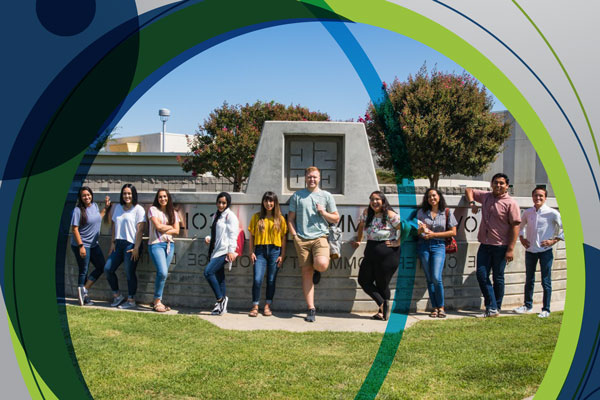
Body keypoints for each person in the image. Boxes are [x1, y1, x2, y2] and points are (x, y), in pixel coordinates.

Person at [465, 173, 521, 318]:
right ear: (491, 184)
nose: (498, 185)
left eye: (502, 183)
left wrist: (510, 249)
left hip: (501, 246)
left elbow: (515, 226)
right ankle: (493, 307)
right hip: (484, 244)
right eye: (496, 182)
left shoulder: (511, 203)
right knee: (481, 275)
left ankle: (495, 307)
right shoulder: (486, 196)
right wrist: (472, 203)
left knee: (498, 277)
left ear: (507, 186)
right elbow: (468, 190)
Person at [288, 166, 339, 322]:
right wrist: (295, 236)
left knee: (322, 264)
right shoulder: (297, 196)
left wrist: (323, 213)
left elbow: (336, 218)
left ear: (319, 178)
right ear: (305, 178)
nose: (312, 179)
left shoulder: (326, 196)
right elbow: (290, 219)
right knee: (306, 272)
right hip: (301, 239)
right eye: (309, 177)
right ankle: (311, 308)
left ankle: (318, 268)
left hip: (320, 237)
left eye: (315, 177)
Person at [351, 191, 403, 321]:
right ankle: (382, 304)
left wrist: (398, 241)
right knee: (363, 280)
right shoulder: (367, 213)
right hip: (370, 250)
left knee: (382, 284)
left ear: (383, 201)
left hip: (388, 253)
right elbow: (361, 226)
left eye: (377, 199)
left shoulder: (391, 215)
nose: (374, 202)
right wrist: (359, 239)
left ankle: (382, 312)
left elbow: (404, 228)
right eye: (372, 199)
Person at [513, 186, 564, 318]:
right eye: (536, 195)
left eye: (541, 196)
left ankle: (546, 309)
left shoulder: (552, 213)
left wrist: (554, 241)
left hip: (545, 251)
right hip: (530, 251)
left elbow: (565, 227)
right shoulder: (528, 213)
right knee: (529, 279)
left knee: (545, 281)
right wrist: (522, 239)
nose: (538, 198)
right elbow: (520, 226)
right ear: (532, 197)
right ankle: (527, 306)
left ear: (545, 198)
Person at [416, 188, 457, 318]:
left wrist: (434, 235)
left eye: (434, 196)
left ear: (439, 197)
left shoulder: (446, 212)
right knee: (429, 278)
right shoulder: (421, 213)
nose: (431, 198)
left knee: (436, 277)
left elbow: (453, 232)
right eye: (429, 197)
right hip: (424, 246)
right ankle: (434, 308)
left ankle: (441, 306)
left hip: (439, 246)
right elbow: (414, 231)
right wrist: (421, 230)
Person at [104, 184, 146, 309]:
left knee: (129, 272)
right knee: (107, 269)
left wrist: (137, 247)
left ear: (133, 194)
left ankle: (131, 300)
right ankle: (117, 296)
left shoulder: (139, 209)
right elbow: (114, 226)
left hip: (131, 244)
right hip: (118, 244)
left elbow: (140, 230)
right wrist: (112, 243)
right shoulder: (118, 208)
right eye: (124, 193)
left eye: (129, 193)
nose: (127, 196)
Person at [247, 191, 287, 317]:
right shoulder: (257, 217)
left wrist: (282, 254)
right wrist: (251, 251)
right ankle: (255, 305)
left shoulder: (280, 219)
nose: (268, 203)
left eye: (271, 201)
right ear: (263, 202)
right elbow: (251, 236)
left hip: (275, 251)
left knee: (271, 279)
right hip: (260, 251)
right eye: (266, 200)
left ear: (275, 203)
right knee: (257, 279)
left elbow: (284, 237)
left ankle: (267, 305)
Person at [70, 186, 112, 306]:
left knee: (101, 266)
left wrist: (106, 208)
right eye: (84, 195)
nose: (87, 197)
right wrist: (81, 246)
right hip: (82, 244)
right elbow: (75, 229)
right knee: (84, 270)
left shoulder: (94, 206)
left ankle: (84, 289)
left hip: (93, 244)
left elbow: (98, 217)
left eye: (88, 195)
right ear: (80, 197)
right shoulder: (78, 211)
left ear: (91, 195)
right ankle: (82, 297)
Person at [204, 192, 239, 315]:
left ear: (228, 203)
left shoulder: (230, 216)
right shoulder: (216, 215)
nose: (221, 205)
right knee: (220, 279)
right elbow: (216, 232)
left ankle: (220, 299)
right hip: (215, 250)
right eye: (219, 202)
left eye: (223, 203)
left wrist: (231, 250)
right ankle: (221, 307)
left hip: (224, 251)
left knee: (208, 272)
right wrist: (209, 237)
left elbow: (233, 234)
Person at [148, 189, 180, 312]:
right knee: (162, 272)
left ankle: (157, 300)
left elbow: (177, 231)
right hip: (156, 244)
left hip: (169, 245)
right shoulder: (153, 210)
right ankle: (157, 301)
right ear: (157, 198)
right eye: (160, 197)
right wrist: (170, 227)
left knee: (163, 274)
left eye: (165, 196)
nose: (163, 199)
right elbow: (158, 227)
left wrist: (165, 228)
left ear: (168, 198)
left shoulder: (173, 213)